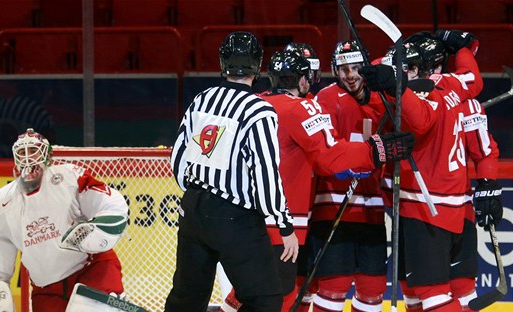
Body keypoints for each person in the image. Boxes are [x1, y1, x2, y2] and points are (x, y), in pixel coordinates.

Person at [219, 48, 416, 312]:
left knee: (246, 292)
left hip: (239, 216)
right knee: (281, 295)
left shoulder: (252, 102)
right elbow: (330, 156)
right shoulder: (303, 108)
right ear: (302, 79)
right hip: (282, 221)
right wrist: (376, 150)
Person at [359, 29, 497, 311]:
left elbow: (420, 119)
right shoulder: (460, 87)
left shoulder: (426, 89)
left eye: (411, 66)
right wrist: (464, 48)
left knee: (429, 293)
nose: (406, 71)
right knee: (456, 290)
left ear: (430, 67)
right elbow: (473, 77)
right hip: (458, 206)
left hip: (426, 207)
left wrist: (392, 76)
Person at [165, 31, 298, 312]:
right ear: (257, 65)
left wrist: (196, 195)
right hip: (234, 217)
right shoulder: (258, 110)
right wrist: (284, 223)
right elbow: (265, 172)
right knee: (265, 299)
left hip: (193, 210)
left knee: (186, 299)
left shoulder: (203, 99)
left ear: (222, 62)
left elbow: (178, 156)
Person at [0, 128, 129, 312]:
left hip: (92, 269)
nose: (28, 158)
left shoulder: (69, 177)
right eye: (23, 152)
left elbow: (112, 206)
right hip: (46, 288)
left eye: (33, 151)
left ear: (46, 155)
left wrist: (96, 231)